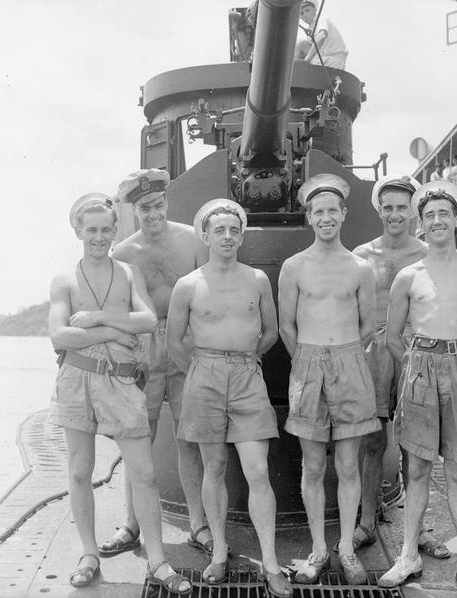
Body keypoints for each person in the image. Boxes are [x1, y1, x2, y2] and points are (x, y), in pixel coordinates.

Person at [48, 193, 190, 594]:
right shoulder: (63, 279)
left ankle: (158, 561)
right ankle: (89, 553)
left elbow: (146, 320)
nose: (98, 237)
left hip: (122, 381)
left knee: (144, 472)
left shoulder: (127, 273)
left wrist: (99, 318)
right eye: (90, 229)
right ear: (77, 230)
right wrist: (113, 331)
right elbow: (59, 334)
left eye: (105, 229)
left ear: (115, 231)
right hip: (77, 379)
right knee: (79, 470)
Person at [377, 181, 457, 597]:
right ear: (421, 224)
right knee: (417, 469)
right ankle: (408, 554)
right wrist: (416, 369)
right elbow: (393, 337)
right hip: (419, 369)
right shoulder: (408, 277)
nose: (436, 221)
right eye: (428, 216)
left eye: (444, 213)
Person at [167, 198, 291, 598]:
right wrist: (203, 372)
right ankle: (218, 551)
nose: (226, 236)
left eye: (234, 230)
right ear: (205, 235)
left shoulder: (256, 279)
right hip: (203, 373)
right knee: (214, 466)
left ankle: (270, 561)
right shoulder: (188, 285)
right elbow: (173, 341)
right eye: (218, 230)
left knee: (257, 470)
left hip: (246, 376)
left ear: (241, 235)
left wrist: (246, 362)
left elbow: (270, 331)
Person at [104, 169, 213, 560]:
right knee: (138, 440)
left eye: (158, 205)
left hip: (187, 344)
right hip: (141, 349)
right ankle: (131, 524)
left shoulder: (193, 241)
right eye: (144, 208)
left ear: (167, 201)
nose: (153, 213)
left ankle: (198, 524)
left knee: (190, 440)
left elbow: (210, 295)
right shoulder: (123, 253)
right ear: (133, 210)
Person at [277, 174, 379, 585]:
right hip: (307, 363)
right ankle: (319, 549)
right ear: (309, 217)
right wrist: (307, 365)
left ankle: (347, 550)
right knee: (314, 464)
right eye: (318, 211)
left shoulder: (361, 268)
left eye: (332, 210)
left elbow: (368, 326)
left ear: (344, 214)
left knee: (348, 463)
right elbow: (286, 327)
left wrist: (342, 359)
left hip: (351, 362)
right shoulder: (294, 267)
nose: (325, 217)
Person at [352, 176, 450, 559]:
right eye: (388, 207)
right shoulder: (362, 254)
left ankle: (419, 529)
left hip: (415, 350)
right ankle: (365, 523)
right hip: (374, 351)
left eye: (402, 207)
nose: (395, 214)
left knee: (416, 445)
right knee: (372, 440)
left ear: (414, 211)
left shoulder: (428, 254)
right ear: (379, 210)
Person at [296, 0, 348, 70]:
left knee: (301, 48)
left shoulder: (320, 19)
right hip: (324, 61)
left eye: (307, 10)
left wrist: (307, 59)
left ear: (315, 9)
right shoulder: (311, 29)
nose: (305, 15)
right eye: (301, 13)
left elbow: (322, 36)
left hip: (334, 59)